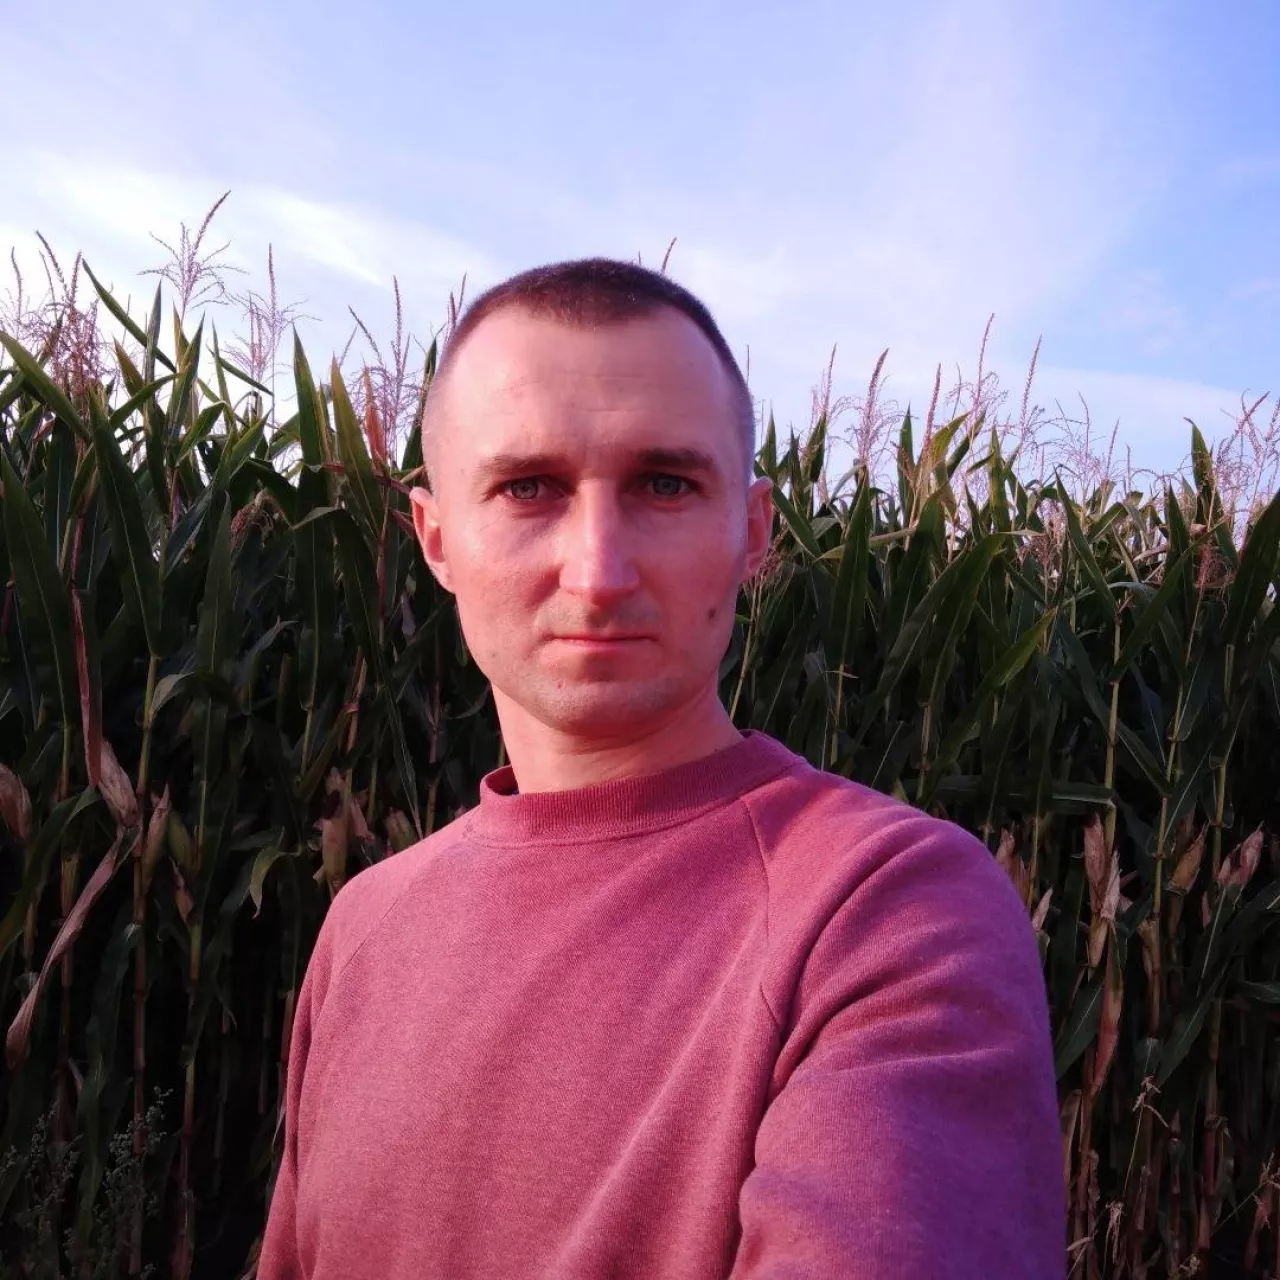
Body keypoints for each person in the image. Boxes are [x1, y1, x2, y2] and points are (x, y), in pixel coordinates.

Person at [256, 258, 1065, 1278]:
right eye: (527, 487)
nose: (598, 572)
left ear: (753, 533)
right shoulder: (364, 927)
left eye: (665, 485)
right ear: (436, 539)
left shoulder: (885, 907)